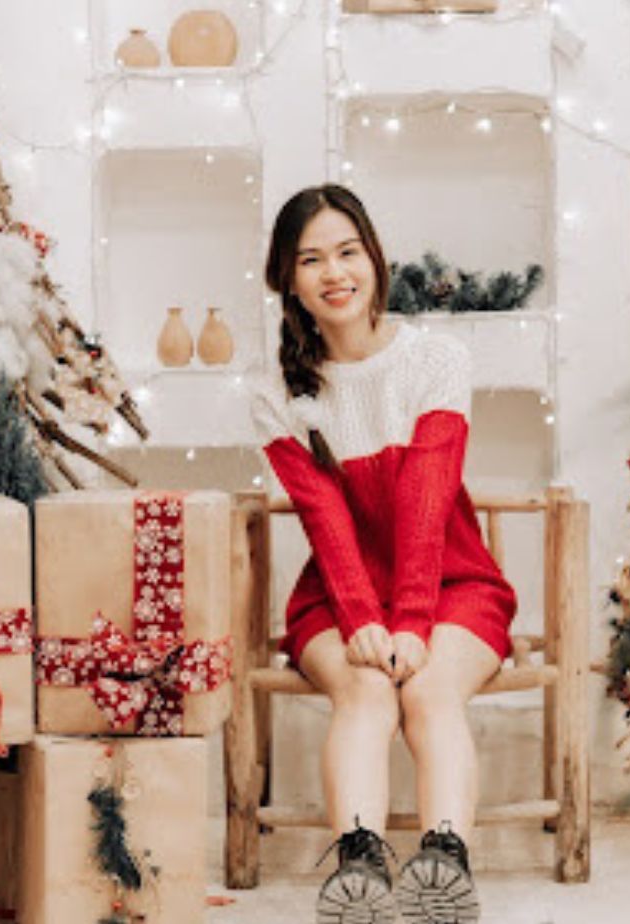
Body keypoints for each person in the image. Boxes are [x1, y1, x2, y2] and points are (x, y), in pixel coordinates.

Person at [251, 184, 517, 924]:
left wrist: (412, 619)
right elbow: (324, 519)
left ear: (374, 259)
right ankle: (360, 872)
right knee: (365, 693)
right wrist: (364, 615)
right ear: (288, 279)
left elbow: (428, 498)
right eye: (311, 259)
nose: (334, 272)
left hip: (455, 582)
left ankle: (444, 868)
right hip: (337, 596)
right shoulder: (281, 394)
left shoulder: (435, 359)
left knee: (429, 691)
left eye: (348, 251)